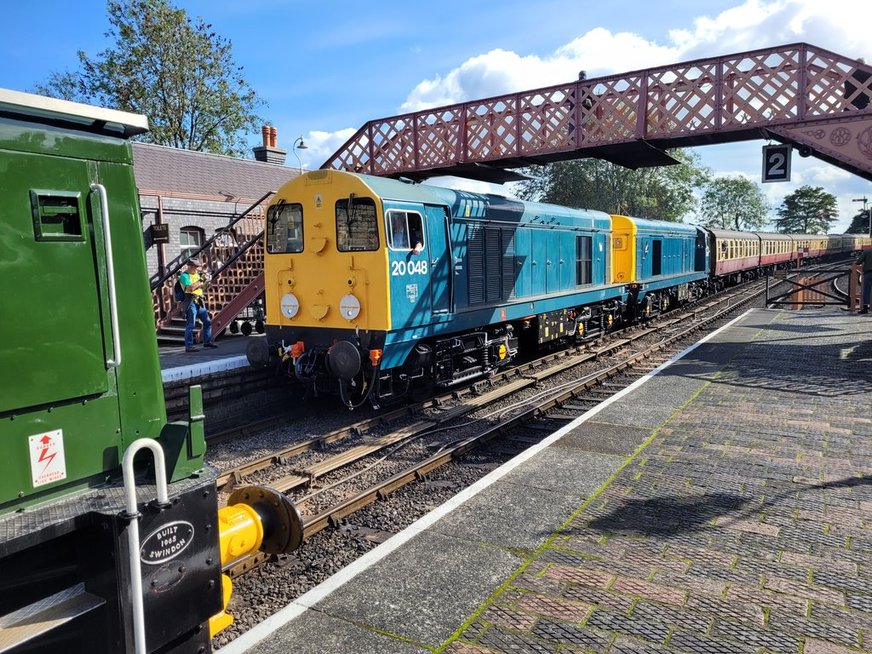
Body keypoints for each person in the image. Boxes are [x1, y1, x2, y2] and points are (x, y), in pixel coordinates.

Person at [179, 258, 217, 351]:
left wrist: (207, 283)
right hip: (190, 300)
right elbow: (190, 288)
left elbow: (202, 288)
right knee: (191, 324)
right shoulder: (184, 276)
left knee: (207, 322)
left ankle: (207, 342)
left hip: (199, 300)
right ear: (190, 266)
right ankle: (189, 346)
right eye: (195, 267)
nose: (196, 269)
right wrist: (201, 280)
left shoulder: (196, 274)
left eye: (197, 267)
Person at [856, 247, 872, 313]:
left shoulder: (867, 251)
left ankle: (865, 308)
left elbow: (858, 262)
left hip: (868, 272)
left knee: (866, 290)